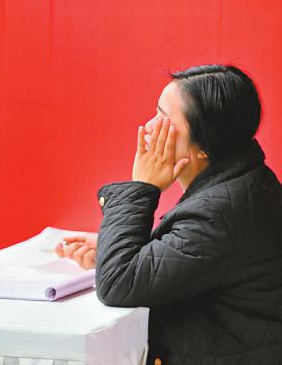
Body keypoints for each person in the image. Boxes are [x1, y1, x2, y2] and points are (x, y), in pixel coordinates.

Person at [56, 65, 282, 363]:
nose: (148, 127)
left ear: (203, 147)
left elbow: (118, 283)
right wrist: (119, 248)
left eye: (163, 119)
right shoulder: (245, 182)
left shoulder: (218, 215)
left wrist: (142, 186)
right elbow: (198, 258)